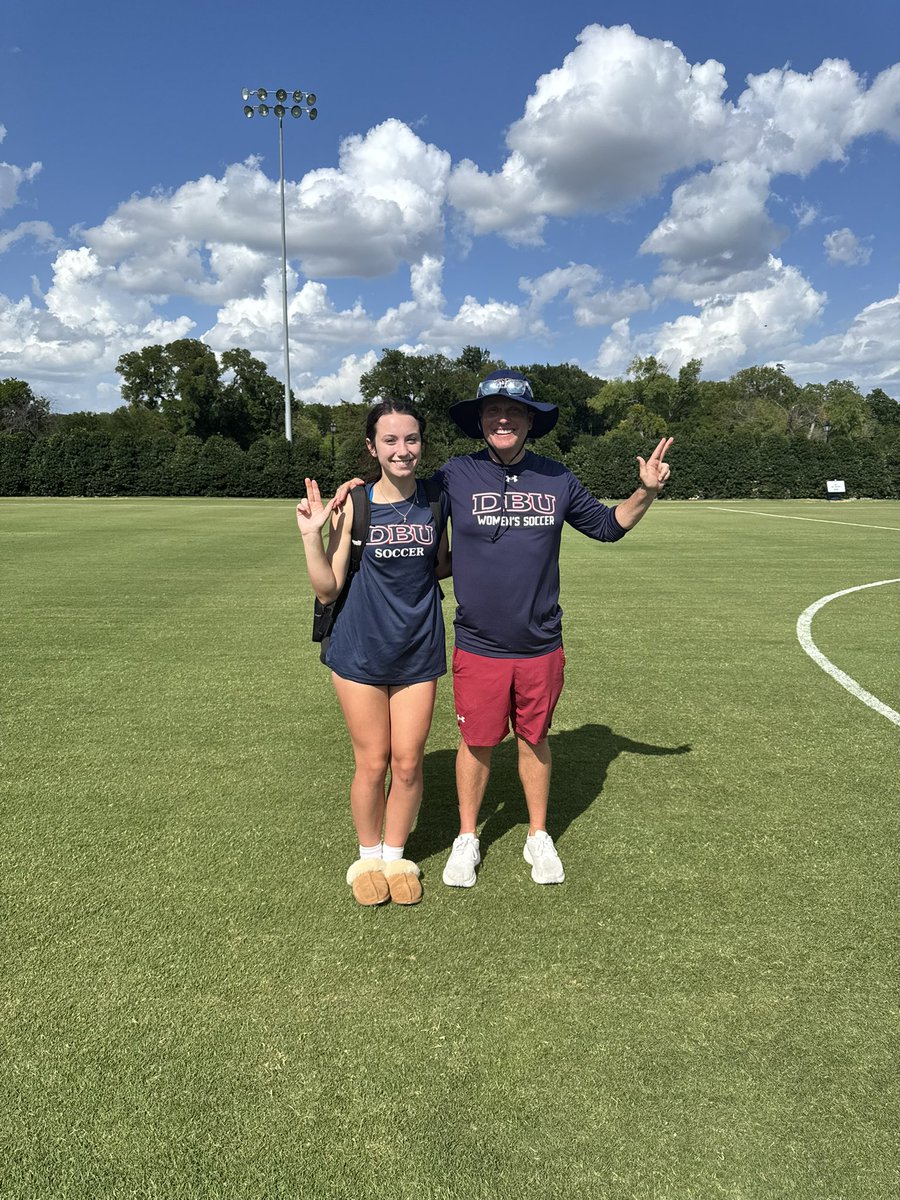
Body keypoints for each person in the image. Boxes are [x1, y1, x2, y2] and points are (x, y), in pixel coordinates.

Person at [434, 370, 672, 887]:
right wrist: (359, 494)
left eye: (514, 412)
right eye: (494, 411)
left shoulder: (556, 477)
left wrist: (646, 491)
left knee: (534, 737)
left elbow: (607, 526)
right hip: (478, 642)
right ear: (480, 420)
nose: (503, 420)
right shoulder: (455, 474)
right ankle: (467, 837)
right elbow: (405, 502)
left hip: (540, 642)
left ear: (529, 422)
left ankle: (538, 835)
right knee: (476, 741)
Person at [295, 399, 450, 906]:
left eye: (411, 438)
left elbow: (440, 564)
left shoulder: (437, 499)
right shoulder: (354, 504)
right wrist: (311, 536)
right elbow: (327, 588)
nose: (402, 450)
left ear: (422, 443)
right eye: (390, 440)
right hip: (359, 650)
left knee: (407, 763)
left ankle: (396, 856)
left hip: (418, 649)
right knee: (373, 762)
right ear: (372, 447)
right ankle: (367, 857)